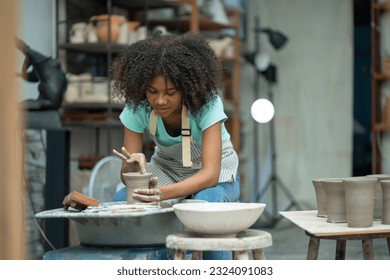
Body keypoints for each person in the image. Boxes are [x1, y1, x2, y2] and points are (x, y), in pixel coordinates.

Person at [111, 30, 240, 259]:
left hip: (214, 176)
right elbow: (129, 177)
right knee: (122, 200)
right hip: (167, 171)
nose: (160, 100)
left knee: (205, 206)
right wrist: (131, 168)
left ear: (187, 88)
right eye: (152, 92)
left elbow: (210, 175)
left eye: (170, 93)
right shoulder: (137, 107)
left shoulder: (206, 104)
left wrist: (162, 194)